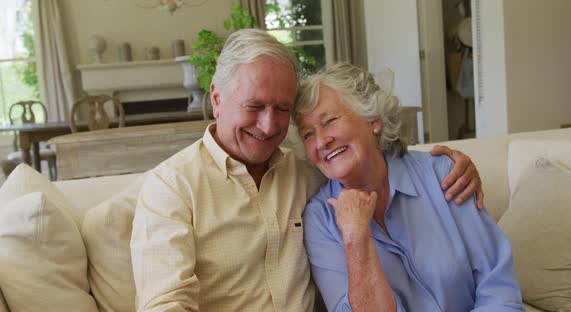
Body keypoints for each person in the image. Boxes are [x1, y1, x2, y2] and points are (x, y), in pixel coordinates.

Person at [130, 29, 483, 311]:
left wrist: (451, 163)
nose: (269, 127)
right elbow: (165, 304)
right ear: (218, 99)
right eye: (254, 106)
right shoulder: (171, 188)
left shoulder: (307, 174)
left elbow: (367, 159)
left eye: (282, 109)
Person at [295, 63, 523, 312]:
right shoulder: (320, 219)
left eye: (329, 121)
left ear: (373, 119)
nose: (321, 141)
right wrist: (355, 237)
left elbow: (498, 289)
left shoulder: (443, 175)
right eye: (308, 134)